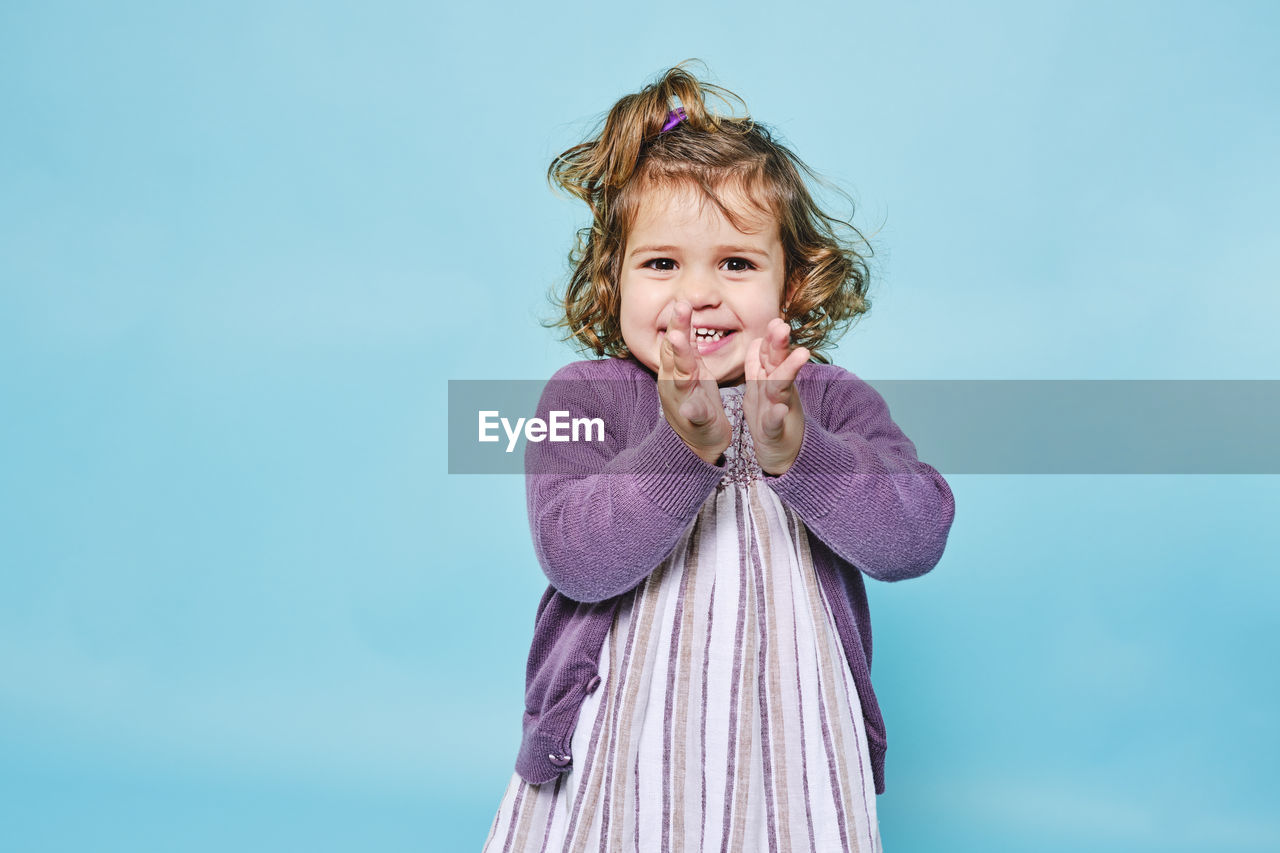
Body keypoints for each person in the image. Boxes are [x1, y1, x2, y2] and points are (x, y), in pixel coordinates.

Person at [482, 60, 955, 853]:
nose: (697, 293)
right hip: (621, 750)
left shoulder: (828, 400)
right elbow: (575, 559)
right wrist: (681, 448)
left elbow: (917, 537)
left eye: (735, 263)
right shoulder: (582, 398)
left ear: (791, 283)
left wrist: (800, 451)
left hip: (792, 754)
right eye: (662, 262)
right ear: (614, 280)